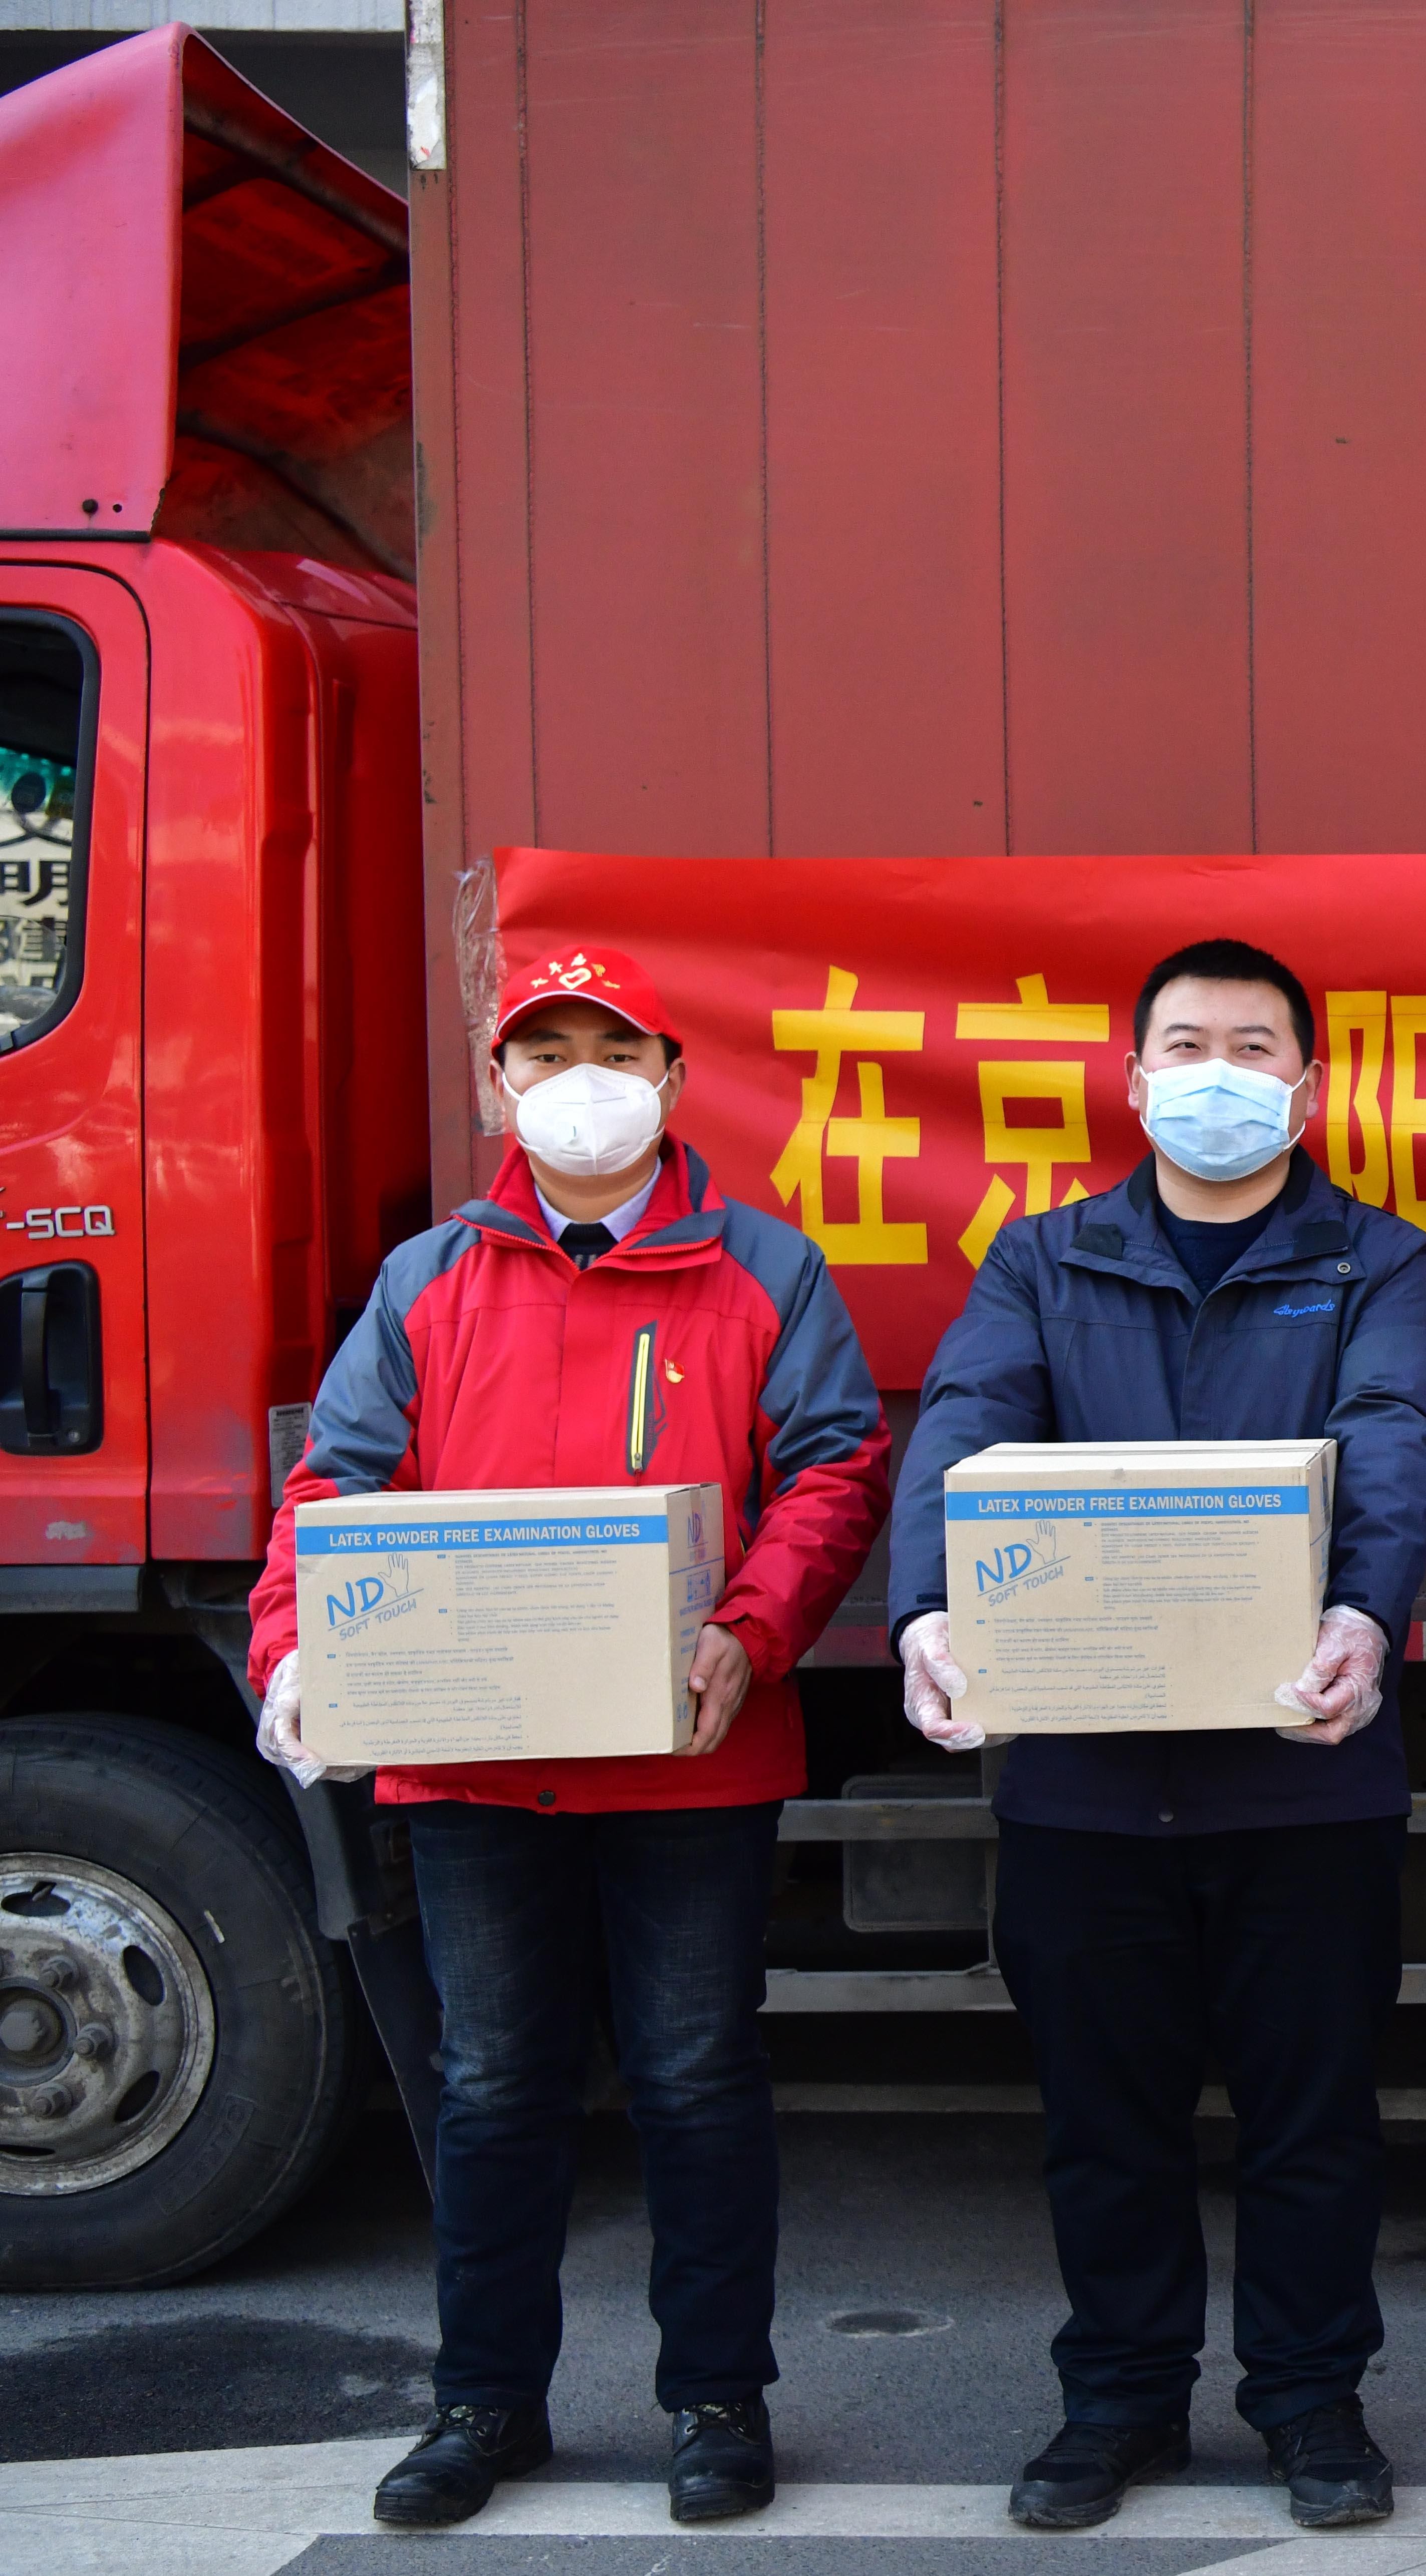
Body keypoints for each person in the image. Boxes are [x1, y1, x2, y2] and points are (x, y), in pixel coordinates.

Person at [246, 946, 892, 2530]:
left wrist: (750, 1634)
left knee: (693, 2077)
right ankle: (483, 2406)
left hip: (690, 1758)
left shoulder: (763, 1271)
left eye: (615, 1048)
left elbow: (832, 1474)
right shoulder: (426, 1282)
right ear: (498, 1087)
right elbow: (335, 1490)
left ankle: (719, 2403)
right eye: (545, 1054)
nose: (580, 1080)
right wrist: (296, 1653)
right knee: (493, 2086)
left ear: (673, 1078)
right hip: (475, 1763)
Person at [888, 937, 1426, 2536]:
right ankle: (1118, 2400)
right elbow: (965, 1425)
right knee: (1104, 2124)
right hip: (1084, 1784)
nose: (1222, 1073)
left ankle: (1309, 2400)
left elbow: (1399, 1433)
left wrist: (1363, 1615)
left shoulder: (1377, 1265)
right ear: (1135, 1083)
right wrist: (929, 1607)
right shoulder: (1044, 1263)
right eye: (1189, 1047)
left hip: (1305, 1770)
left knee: (1314, 2123)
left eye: (1255, 1047)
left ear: (1307, 1082)